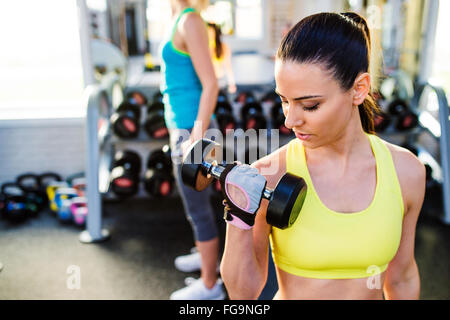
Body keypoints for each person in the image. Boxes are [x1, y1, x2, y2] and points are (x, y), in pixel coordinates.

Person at [219, 12, 425, 300]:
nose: (290, 121)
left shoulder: (406, 172)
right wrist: (238, 215)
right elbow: (243, 295)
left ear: (359, 89)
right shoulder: (270, 175)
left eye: (310, 105)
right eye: (284, 101)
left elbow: (402, 279)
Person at [159, 0, 224, 300]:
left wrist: (195, 142)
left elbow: (211, 83)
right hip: (184, 127)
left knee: (198, 211)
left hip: (193, 130)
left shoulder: (190, 21)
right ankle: (204, 257)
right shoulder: (178, 18)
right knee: (196, 207)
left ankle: (210, 284)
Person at [207, 22, 236, 94]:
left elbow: (228, 66)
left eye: (211, 33)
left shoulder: (223, 47)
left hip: (220, 80)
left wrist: (232, 83)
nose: (209, 35)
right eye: (207, 33)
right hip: (207, 81)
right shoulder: (203, 47)